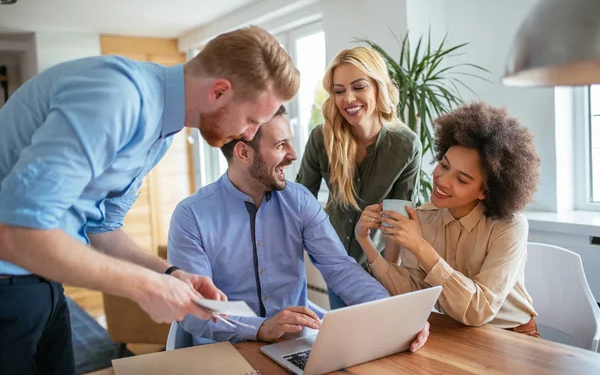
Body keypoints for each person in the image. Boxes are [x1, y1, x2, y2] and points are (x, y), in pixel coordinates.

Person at [0, 25, 300, 374]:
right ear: (219, 92)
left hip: (44, 286)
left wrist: (171, 274)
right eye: (251, 120)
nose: (249, 134)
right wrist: (146, 287)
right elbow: (18, 233)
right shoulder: (117, 97)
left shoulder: (161, 128)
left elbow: (103, 228)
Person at [168, 106, 429, 349]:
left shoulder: (300, 200)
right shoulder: (191, 215)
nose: (293, 155)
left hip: (292, 344)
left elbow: (340, 268)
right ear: (243, 153)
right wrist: (260, 328)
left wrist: (398, 315)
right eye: (281, 145)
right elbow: (195, 309)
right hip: (223, 350)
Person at [355, 102, 541, 337]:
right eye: (444, 165)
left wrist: (420, 246)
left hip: (511, 334)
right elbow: (412, 289)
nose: (442, 181)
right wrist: (365, 242)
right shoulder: (423, 217)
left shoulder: (510, 226)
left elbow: (478, 311)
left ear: (485, 191)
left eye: (462, 180)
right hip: (453, 332)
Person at [296, 46, 422, 309]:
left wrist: (389, 274)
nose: (348, 99)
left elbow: (398, 218)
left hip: (377, 262)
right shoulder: (322, 139)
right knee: (349, 340)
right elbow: (301, 200)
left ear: (378, 87)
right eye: (339, 90)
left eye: (359, 87)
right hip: (335, 262)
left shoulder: (406, 145)